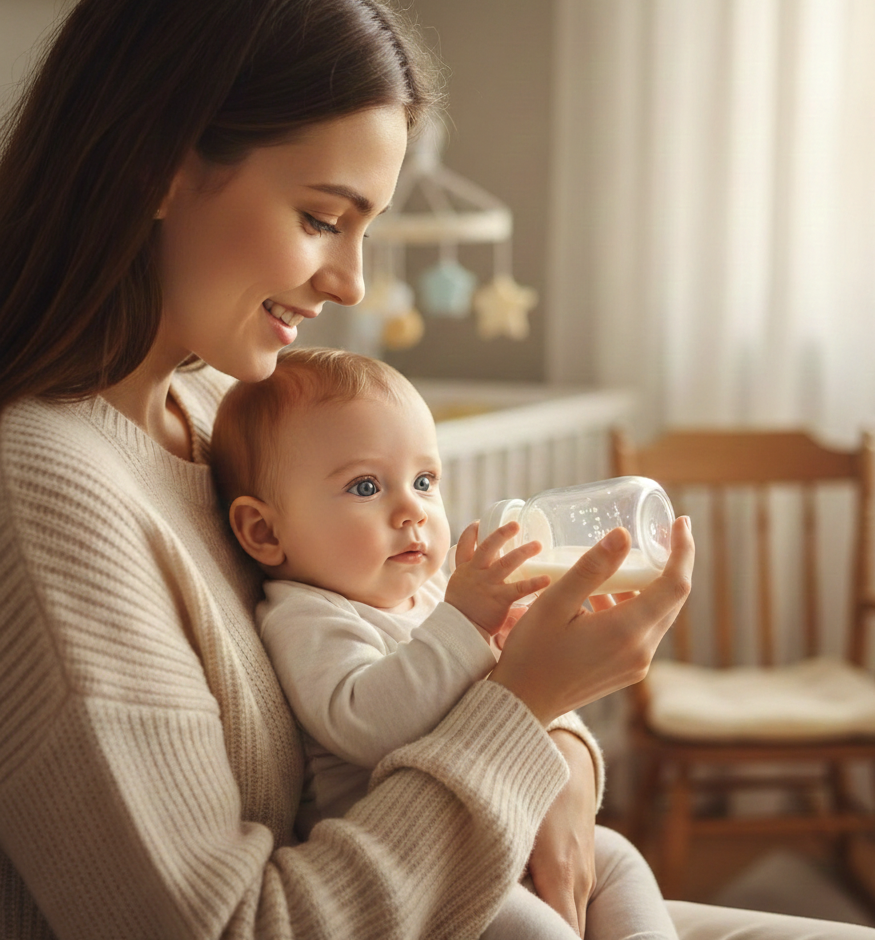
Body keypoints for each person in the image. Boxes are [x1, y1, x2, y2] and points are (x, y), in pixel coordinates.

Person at [0, 0, 875, 937]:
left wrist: (559, 745)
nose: (350, 282)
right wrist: (525, 715)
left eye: (365, 229)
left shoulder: (221, 409)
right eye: (320, 218)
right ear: (159, 166)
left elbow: (438, 643)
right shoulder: (49, 490)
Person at [209, 345, 678, 940]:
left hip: (498, 816)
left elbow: (507, 698)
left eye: (424, 481)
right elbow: (366, 723)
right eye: (365, 486)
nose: (412, 510)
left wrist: (511, 644)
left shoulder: (432, 592)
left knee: (618, 856)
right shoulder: (306, 615)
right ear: (264, 531)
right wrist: (467, 626)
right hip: (427, 874)